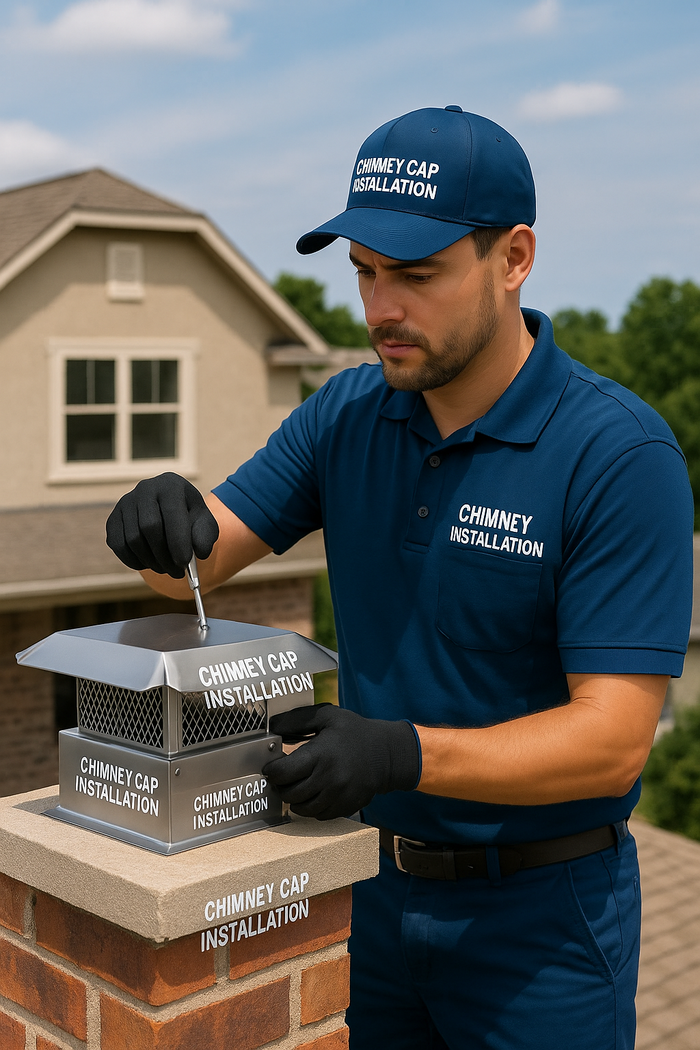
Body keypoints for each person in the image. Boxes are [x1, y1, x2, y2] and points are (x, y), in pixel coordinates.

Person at [107, 106, 693, 1049]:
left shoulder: (616, 453)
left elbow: (615, 741)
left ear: (514, 258)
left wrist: (401, 754)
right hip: (368, 896)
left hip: (542, 923)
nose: (381, 309)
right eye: (365, 272)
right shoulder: (348, 410)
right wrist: (157, 525)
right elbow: (199, 561)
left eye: (416, 275)